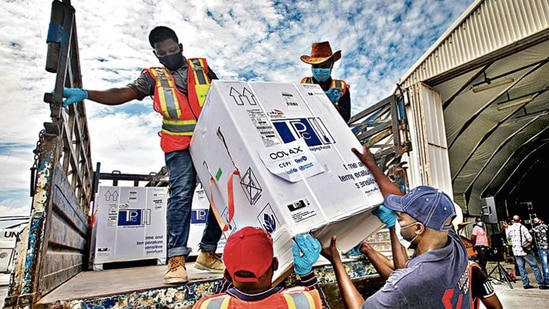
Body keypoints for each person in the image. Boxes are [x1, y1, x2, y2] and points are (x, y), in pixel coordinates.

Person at [60, 26, 223, 284]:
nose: (169, 55)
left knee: (221, 192)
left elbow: (221, 95)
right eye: (163, 53)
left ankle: (208, 251)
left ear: (180, 46)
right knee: (181, 194)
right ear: (156, 54)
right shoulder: (153, 77)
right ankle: (176, 261)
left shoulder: (201, 67)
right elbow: (122, 93)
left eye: (172, 50)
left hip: (209, 142)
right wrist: (87, 94)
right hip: (178, 146)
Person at [318, 144, 472, 308]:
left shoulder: (412, 282)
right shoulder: (454, 245)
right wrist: (371, 165)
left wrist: (336, 260)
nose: (398, 215)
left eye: (401, 216)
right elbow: (401, 271)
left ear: (418, 228)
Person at [192, 226, 329, 308]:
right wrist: (306, 274)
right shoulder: (302, 302)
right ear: (275, 264)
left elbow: (219, 298)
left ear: (227, 275)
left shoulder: (206, 306)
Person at [300, 41, 351, 122]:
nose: (319, 69)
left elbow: (345, 118)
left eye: (324, 66)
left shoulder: (341, 86)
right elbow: (300, 110)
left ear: (332, 66)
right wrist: (324, 100)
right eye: (316, 66)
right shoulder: (304, 83)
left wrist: (332, 105)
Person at [507, 215, 547, 289]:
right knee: (534, 266)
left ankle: (526, 284)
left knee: (521, 267)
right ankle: (541, 283)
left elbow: (508, 238)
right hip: (525, 250)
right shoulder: (522, 227)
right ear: (520, 220)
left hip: (516, 251)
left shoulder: (510, 228)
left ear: (513, 220)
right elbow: (529, 238)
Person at [531, 217, 549, 286]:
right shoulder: (546, 227)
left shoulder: (536, 228)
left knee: (545, 265)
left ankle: (547, 280)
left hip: (542, 248)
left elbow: (529, 231)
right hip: (548, 246)